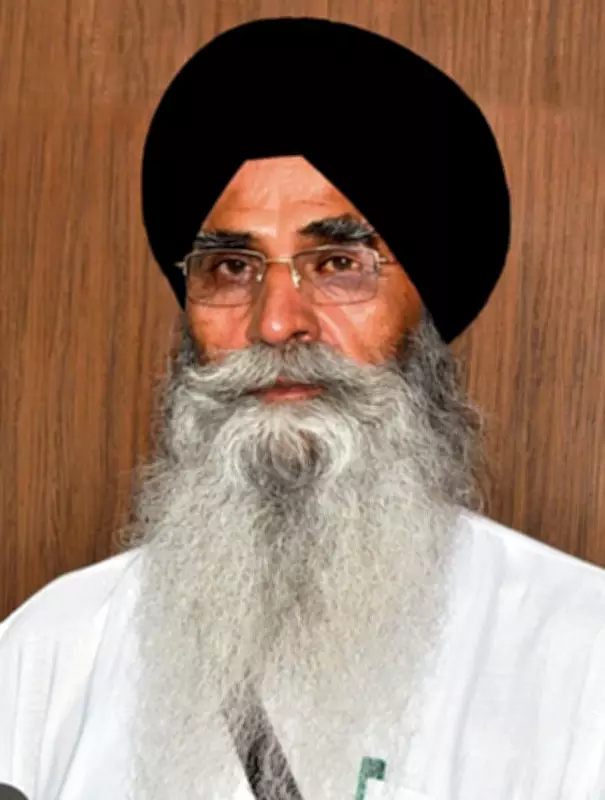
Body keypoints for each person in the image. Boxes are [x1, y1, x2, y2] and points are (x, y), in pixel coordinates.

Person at [1, 18, 604, 800]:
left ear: (422, 310)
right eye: (230, 267)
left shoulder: (579, 653)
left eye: (338, 263)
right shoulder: (51, 650)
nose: (276, 322)